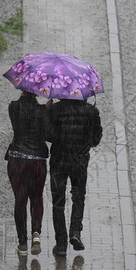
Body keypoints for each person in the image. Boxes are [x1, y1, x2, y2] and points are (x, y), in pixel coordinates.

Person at [46, 98, 103, 256]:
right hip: (79, 163)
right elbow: (96, 139)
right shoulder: (91, 112)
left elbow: (47, 135)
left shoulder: (56, 109)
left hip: (59, 162)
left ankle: (61, 244)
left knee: (58, 202)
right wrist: (83, 145)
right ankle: (75, 232)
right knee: (78, 197)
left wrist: (47, 111)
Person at [7, 91, 52, 256]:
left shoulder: (13, 107)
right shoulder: (42, 111)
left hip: (17, 159)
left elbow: (20, 125)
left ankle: (22, 244)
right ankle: (36, 234)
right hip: (37, 160)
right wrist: (47, 111)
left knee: (20, 199)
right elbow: (49, 135)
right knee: (36, 197)